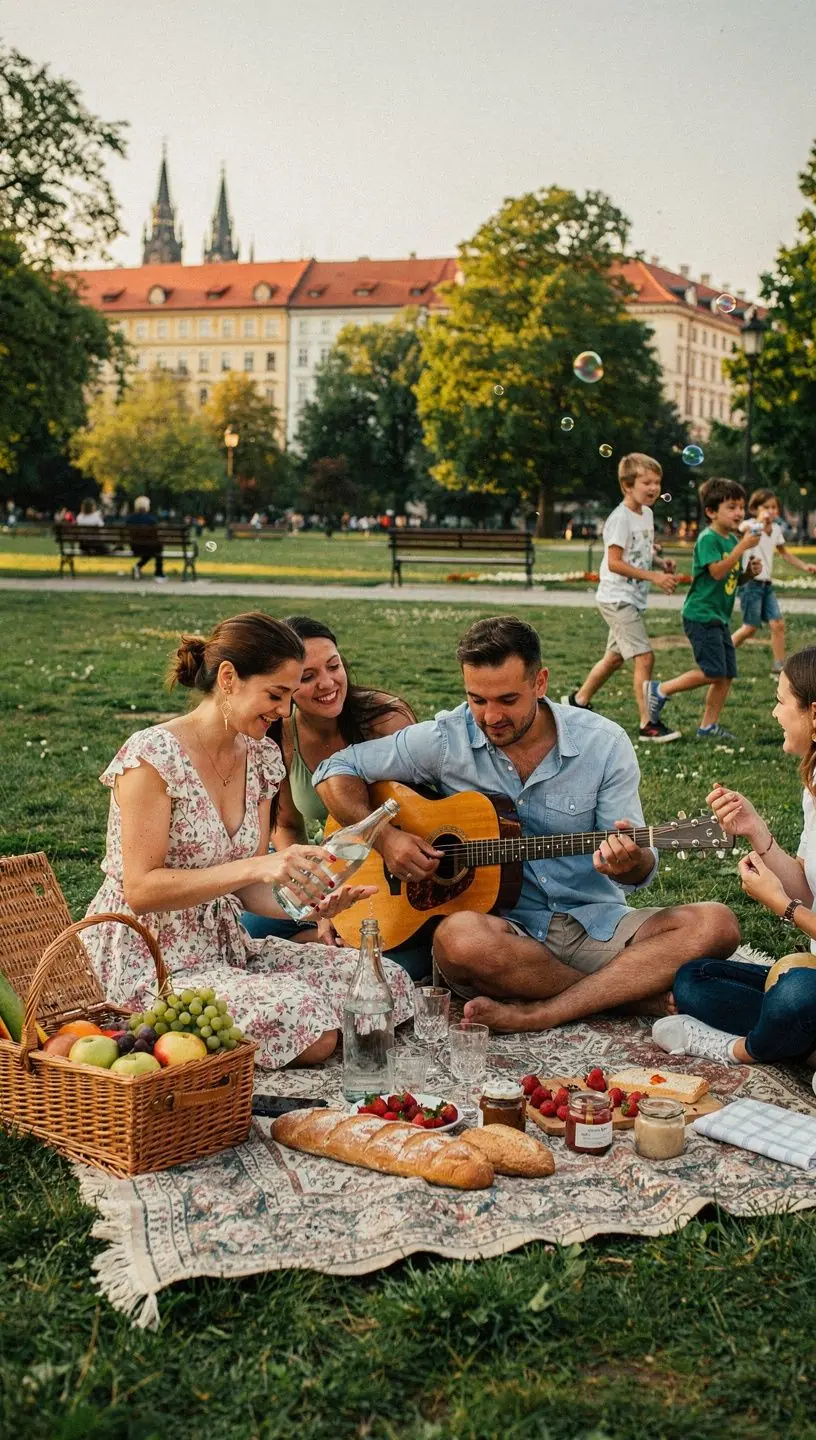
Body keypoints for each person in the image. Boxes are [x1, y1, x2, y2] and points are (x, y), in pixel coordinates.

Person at [313, 615, 739, 1034]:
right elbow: (335, 769)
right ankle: (628, 995)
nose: (490, 716)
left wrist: (628, 862)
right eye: (477, 699)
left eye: (507, 700)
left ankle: (546, 1009)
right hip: (502, 938)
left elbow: (639, 870)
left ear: (540, 683)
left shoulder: (603, 743)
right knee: (458, 939)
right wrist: (386, 838)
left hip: (593, 922)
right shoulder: (446, 738)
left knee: (716, 924)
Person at [81, 611, 413, 1069]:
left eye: (289, 697)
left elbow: (248, 888)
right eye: (276, 695)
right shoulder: (151, 758)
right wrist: (258, 867)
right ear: (230, 678)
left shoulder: (260, 756)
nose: (285, 712)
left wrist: (309, 904)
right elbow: (141, 890)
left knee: (385, 982)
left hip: (227, 947)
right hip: (151, 956)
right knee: (310, 1028)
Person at [653, 647, 816, 1072]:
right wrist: (755, 830)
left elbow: (797, 901)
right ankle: (801, 1044)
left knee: (796, 996)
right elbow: (808, 889)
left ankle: (735, 1049)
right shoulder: (814, 782)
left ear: (814, 714)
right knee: (694, 978)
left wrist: (782, 906)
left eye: (781, 701)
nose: (774, 712)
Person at [241, 616, 424, 971]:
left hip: (395, 881)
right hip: (329, 871)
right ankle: (314, 942)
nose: (327, 684)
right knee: (244, 933)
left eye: (334, 666)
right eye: (307, 677)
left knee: (391, 967)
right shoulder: (279, 734)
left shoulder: (387, 720)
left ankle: (315, 948)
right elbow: (287, 826)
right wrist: (318, 903)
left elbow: (431, 810)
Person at [561, 453, 680, 741]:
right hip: (617, 597)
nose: (653, 488)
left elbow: (638, 551)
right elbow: (614, 562)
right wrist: (654, 577)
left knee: (615, 658)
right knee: (644, 656)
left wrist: (659, 562)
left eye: (657, 482)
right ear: (627, 486)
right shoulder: (619, 518)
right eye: (646, 482)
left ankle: (577, 700)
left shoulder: (647, 514)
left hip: (632, 596)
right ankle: (647, 724)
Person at [644, 477, 761, 743]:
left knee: (726, 674)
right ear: (711, 512)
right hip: (701, 615)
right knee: (713, 672)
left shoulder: (731, 540)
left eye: (741, 507)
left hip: (718, 616)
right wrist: (742, 548)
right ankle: (660, 689)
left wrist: (748, 575)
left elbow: (731, 578)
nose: (739, 513)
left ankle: (708, 726)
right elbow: (717, 572)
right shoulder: (709, 539)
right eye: (731, 507)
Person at [731, 487, 816, 676]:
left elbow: (784, 553)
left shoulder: (777, 529)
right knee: (750, 628)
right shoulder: (750, 525)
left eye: (774, 507)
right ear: (755, 509)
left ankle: (779, 666)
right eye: (766, 507)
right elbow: (738, 531)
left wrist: (805, 566)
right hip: (750, 584)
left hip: (766, 585)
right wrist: (759, 522)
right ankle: (722, 654)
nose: (771, 511)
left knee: (778, 624)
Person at [128, 495, 166, 582]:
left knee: (155, 548)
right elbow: (156, 535)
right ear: (147, 506)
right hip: (150, 547)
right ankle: (158, 573)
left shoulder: (130, 519)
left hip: (135, 548)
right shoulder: (151, 519)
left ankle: (138, 566)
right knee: (158, 548)